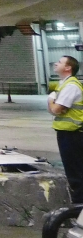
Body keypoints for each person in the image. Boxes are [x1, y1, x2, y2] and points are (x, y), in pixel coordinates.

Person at [49, 55, 83, 203]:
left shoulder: (71, 86)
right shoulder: (63, 84)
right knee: (74, 171)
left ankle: (79, 207)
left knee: (75, 173)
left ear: (68, 68)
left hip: (73, 134)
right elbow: (57, 110)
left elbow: (56, 109)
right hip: (67, 133)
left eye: (60, 62)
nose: (56, 63)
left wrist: (51, 100)